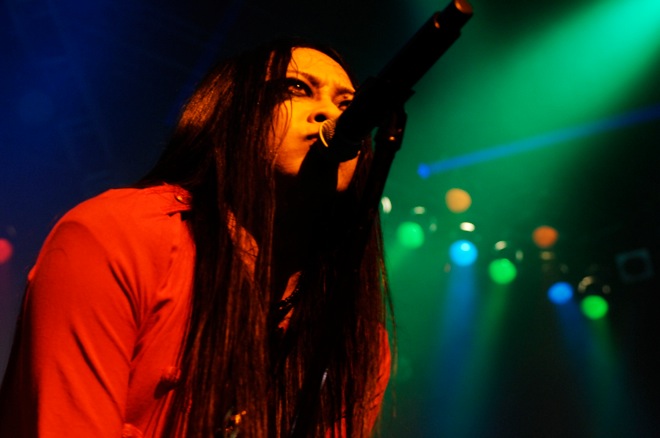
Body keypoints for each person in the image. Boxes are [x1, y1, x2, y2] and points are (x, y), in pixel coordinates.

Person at [0, 38, 393, 437]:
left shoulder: (357, 343)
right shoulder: (118, 234)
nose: (330, 113)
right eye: (297, 88)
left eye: (347, 105)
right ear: (232, 111)